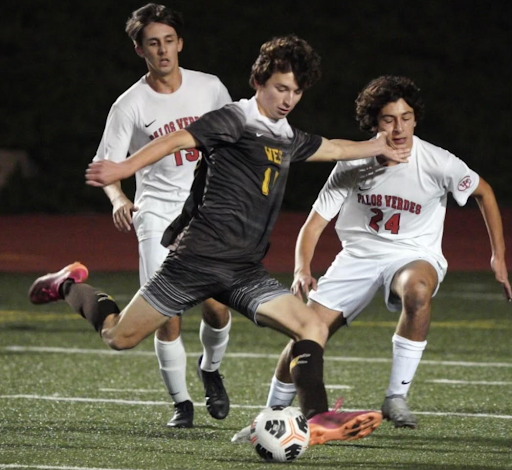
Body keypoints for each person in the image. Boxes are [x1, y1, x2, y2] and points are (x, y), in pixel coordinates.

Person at [29, 36, 411, 445]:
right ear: (259, 81)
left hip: (243, 269)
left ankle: (318, 417)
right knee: (118, 337)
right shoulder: (234, 118)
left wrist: (377, 146)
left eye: (297, 91)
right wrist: (122, 167)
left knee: (311, 325)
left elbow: (332, 147)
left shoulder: (286, 135)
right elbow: (176, 140)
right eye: (281, 88)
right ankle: (67, 284)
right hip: (196, 261)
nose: (288, 99)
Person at [231, 75, 511, 443]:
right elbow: (314, 225)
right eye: (389, 119)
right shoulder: (353, 163)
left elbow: (484, 192)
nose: (399, 128)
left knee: (418, 290)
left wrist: (498, 257)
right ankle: (271, 416)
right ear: (373, 123)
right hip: (358, 257)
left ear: (415, 118)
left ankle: (396, 396)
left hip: (414, 253)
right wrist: (302, 268)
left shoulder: (437, 162)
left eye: (406, 117)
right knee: (307, 332)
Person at [92, 3, 233, 428]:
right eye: (153, 42)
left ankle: (210, 369)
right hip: (156, 215)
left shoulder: (210, 88)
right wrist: (119, 200)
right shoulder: (129, 105)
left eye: (169, 40)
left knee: (217, 307)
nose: (163, 50)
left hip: (206, 213)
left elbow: (235, 140)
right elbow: (105, 167)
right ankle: (182, 404)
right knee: (165, 313)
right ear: (140, 50)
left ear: (181, 43)